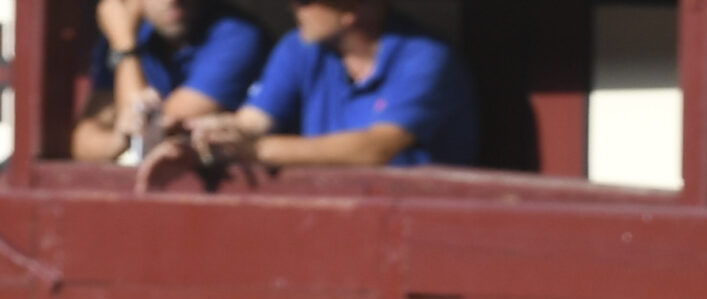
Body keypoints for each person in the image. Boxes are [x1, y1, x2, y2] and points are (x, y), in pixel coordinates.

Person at [182, 1, 478, 170]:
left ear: (351, 9)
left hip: (417, 238)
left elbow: (376, 149)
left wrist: (257, 151)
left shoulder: (426, 57)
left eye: (305, 1)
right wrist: (206, 135)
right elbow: (250, 122)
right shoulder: (301, 46)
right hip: (332, 226)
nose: (293, 7)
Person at [71, 0, 267, 164]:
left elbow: (150, 132)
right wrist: (115, 142)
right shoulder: (130, 31)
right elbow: (83, 143)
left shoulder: (236, 34)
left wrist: (126, 49)